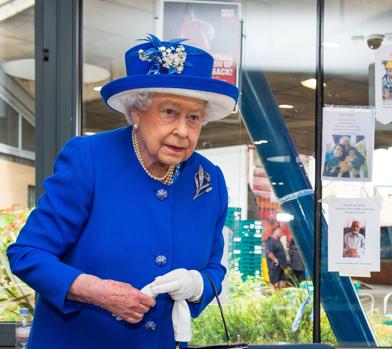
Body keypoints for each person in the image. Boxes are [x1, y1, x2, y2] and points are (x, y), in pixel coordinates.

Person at [7, 35, 239, 348]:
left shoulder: (209, 180)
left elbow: (214, 268)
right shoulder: (90, 159)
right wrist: (98, 292)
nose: (183, 130)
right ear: (136, 112)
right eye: (169, 112)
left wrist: (197, 284)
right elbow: (27, 254)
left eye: (193, 117)